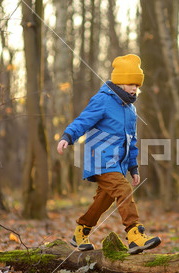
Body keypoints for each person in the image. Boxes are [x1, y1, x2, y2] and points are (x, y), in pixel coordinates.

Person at [57, 54, 161, 254]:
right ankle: (134, 234)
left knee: (102, 202)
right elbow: (83, 120)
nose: (134, 88)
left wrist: (133, 167)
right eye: (131, 83)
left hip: (118, 164)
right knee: (123, 190)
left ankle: (80, 232)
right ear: (120, 81)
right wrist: (68, 136)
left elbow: (131, 141)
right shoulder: (103, 100)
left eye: (137, 85)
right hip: (101, 160)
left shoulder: (131, 110)